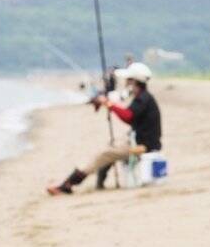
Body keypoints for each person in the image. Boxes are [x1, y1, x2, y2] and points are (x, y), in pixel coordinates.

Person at [47, 62, 162, 195]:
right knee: (110, 148)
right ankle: (98, 182)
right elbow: (127, 111)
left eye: (128, 79)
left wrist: (108, 104)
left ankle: (68, 184)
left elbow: (128, 116)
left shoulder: (143, 98)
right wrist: (108, 103)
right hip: (141, 142)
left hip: (144, 146)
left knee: (105, 154)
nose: (125, 81)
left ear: (134, 81)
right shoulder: (143, 97)